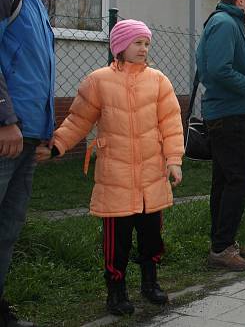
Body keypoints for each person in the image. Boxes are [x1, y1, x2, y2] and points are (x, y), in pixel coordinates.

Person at [42, 20, 184, 316]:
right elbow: (78, 119)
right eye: (137, 43)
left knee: (151, 236)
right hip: (114, 177)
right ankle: (116, 289)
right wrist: (58, 144)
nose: (144, 49)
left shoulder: (159, 81)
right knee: (116, 241)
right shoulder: (98, 81)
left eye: (146, 43)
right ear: (119, 47)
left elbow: (171, 124)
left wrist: (174, 160)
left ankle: (150, 281)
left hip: (151, 177)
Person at [0, 0, 59, 327]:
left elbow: (37, 69)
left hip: (25, 132)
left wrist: (42, 131)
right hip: (6, 130)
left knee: (8, 228)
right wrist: (5, 119)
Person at [196, 0, 245, 271]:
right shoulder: (225, 24)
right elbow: (218, 70)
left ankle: (222, 244)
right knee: (240, 178)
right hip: (228, 115)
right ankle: (222, 248)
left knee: (225, 181)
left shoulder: (229, 23)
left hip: (229, 113)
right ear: (240, 0)